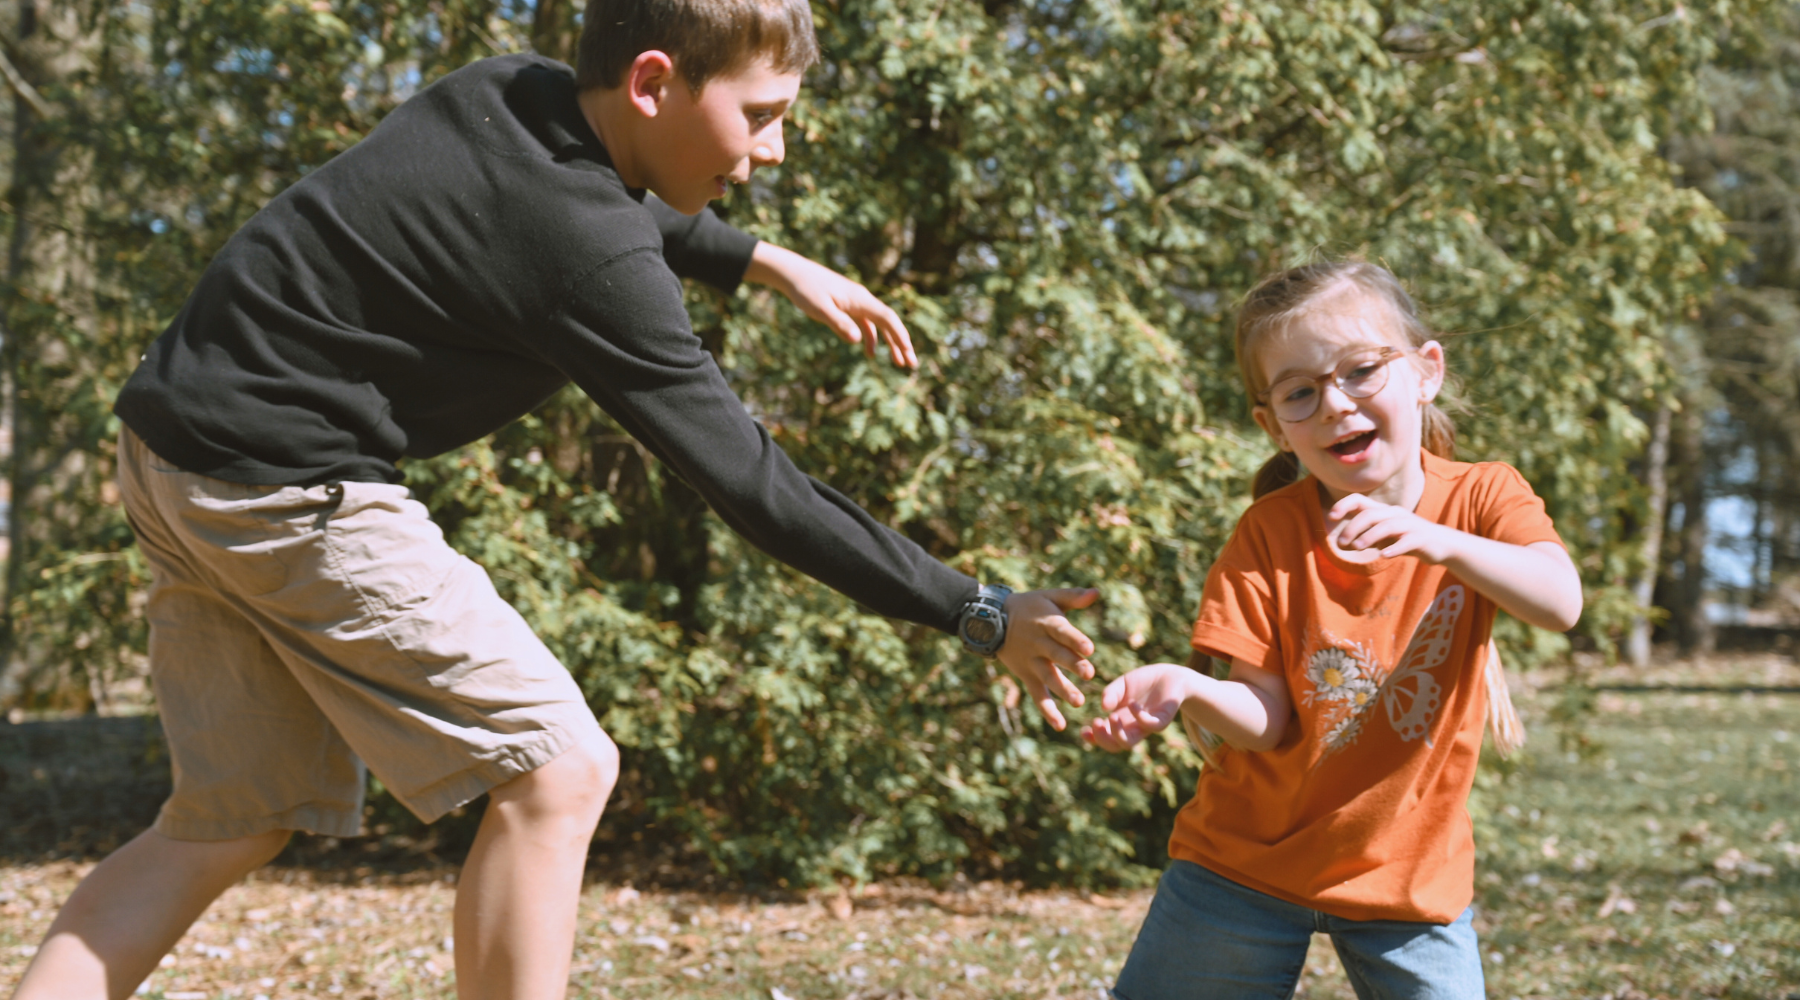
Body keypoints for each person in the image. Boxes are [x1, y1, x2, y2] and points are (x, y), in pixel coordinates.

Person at [12, 2, 1100, 998]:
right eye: (761, 116)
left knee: (227, 821)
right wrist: (977, 607)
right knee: (558, 764)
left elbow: (614, 205)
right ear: (653, 82)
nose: (773, 149)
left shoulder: (508, 92)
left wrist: (764, 260)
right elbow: (758, 487)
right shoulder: (592, 261)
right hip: (282, 481)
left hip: (171, 449)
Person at [1082, 260, 1583, 1000]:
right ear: (1273, 426)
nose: (1335, 404)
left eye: (1360, 372)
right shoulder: (1266, 534)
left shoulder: (1482, 498)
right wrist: (1187, 685)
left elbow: (1559, 600)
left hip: (1407, 874)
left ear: (1425, 372)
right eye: (1301, 392)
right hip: (1244, 863)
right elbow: (1264, 721)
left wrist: (1434, 540)